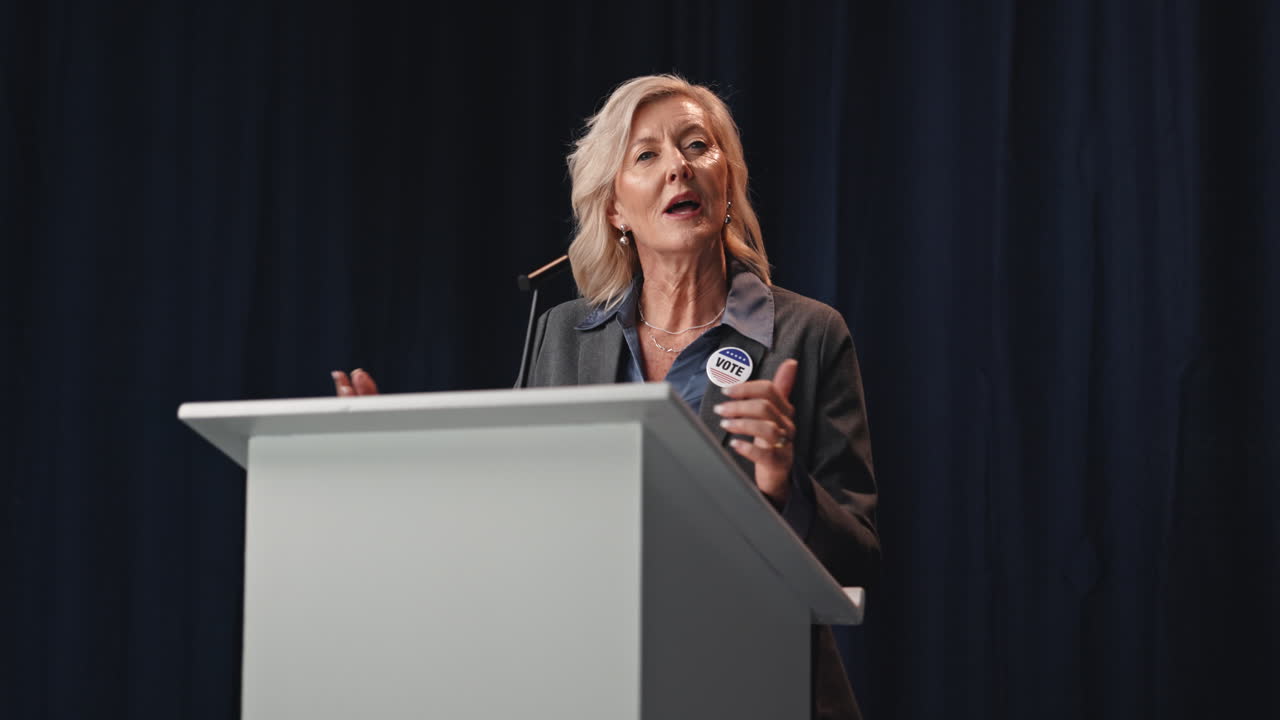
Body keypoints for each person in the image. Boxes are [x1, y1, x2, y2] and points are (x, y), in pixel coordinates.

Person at [333, 74, 880, 720]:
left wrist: (783, 487)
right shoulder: (563, 334)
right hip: (591, 684)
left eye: (697, 146)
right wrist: (384, 455)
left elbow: (857, 555)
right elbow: (514, 518)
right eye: (647, 155)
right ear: (616, 208)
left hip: (757, 684)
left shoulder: (807, 334)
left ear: (727, 183)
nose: (679, 167)